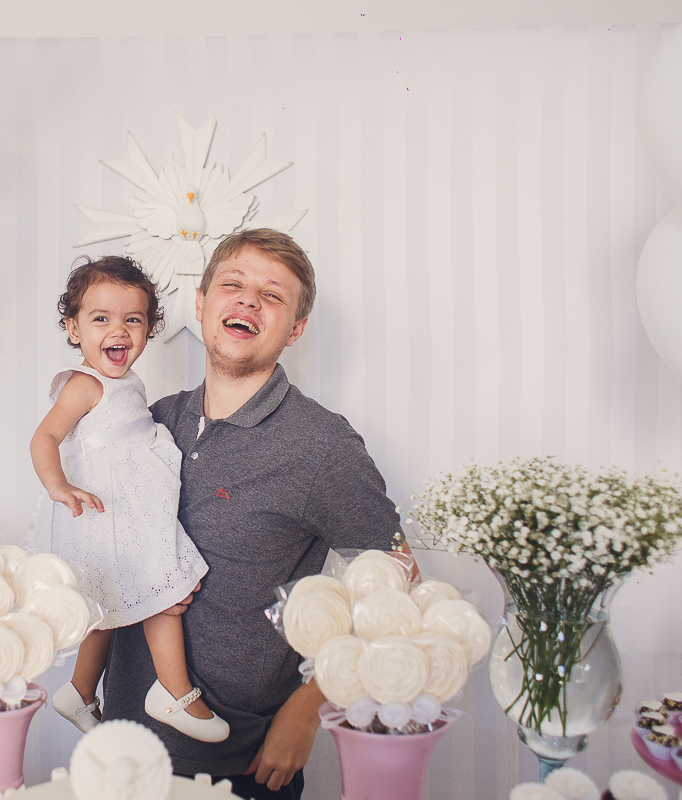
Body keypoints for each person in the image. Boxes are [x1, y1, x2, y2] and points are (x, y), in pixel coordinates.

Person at [102, 229, 406, 800]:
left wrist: (309, 706)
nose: (246, 301)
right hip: (118, 747)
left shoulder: (321, 445)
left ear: (295, 329)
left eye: (272, 296)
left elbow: (397, 581)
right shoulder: (149, 421)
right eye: (232, 285)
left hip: (239, 761)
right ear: (201, 303)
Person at [24, 255, 229, 743]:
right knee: (162, 591)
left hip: (129, 510)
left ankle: (78, 690)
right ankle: (174, 691)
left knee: (108, 611)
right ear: (73, 329)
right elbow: (44, 438)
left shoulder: (126, 383)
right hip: (104, 513)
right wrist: (59, 485)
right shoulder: (85, 383)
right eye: (101, 319)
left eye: (132, 319)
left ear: (148, 329)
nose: (118, 330)